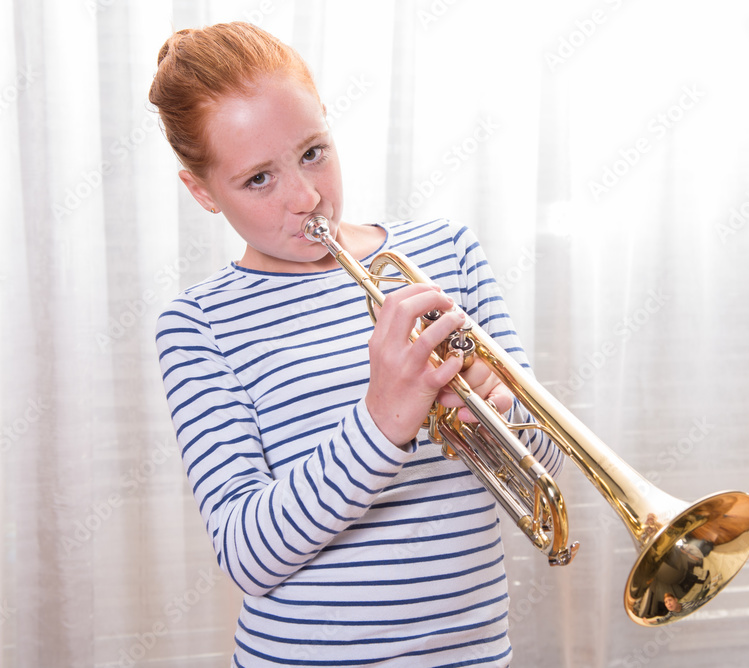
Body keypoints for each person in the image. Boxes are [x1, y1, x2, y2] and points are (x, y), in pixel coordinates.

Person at [150, 21, 562, 667]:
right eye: (259, 179)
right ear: (201, 191)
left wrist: (501, 411)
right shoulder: (197, 325)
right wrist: (381, 422)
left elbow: (547, 466)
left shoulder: (444, 252)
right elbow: (247, 556)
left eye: (313, 151)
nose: (307, 197)